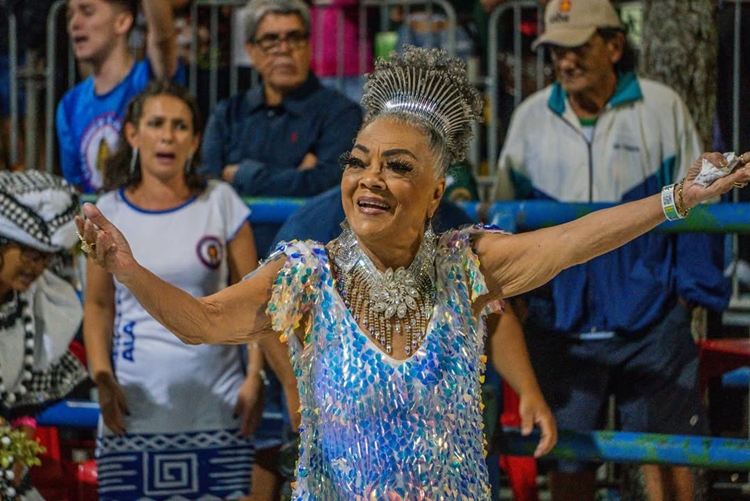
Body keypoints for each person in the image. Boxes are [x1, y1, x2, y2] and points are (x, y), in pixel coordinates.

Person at [76, 45, 750, 500]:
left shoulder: (466, 265)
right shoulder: (305, 276)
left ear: (434, 194)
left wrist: (677, 198)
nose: (370, 178)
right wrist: (128, 268)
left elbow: (574, 240)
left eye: (397, 166)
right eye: (358, 161)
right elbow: (201, 321)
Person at [490, 1, 729, 500]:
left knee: (670, 457)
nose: (565, 60)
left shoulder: (662, 107)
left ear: (615, 45)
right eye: (556, 50)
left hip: (652, 323)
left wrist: (688, 296)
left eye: (577, 47)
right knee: (567, 459)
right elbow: (506, 219)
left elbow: (702, 207)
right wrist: (525, 302)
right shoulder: (531, 117)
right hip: (561, 327)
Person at [82, 80, 262, 500]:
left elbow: (254, 298)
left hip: (218, 406)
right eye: (156, 123)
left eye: (180, 126)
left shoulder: (221, 202)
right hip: (134, 407)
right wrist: (102, 378)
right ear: (132, 134)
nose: (168, 136)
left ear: (195, 140)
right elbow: (97, 305)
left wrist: (256, 375)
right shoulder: (107, 212)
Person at [200, 0, 363, 257]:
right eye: (271, 40)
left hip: (312, 260)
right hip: (228, 257)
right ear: (251, 50)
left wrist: (242, 175)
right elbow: (208, 185)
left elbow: (330, 184)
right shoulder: (228, 113)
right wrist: (297, 175)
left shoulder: (341, 113)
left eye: (294, 38)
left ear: (309, 45)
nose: (284, 49)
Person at [0, 170, 89, 499]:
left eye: (45, 259)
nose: (36, 268)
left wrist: (16, 452)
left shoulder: (36, 307)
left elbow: (25, 401)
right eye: (29, 255)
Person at [56, 0, 183, 194]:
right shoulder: (69, 105)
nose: (74, 23)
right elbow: (76, 191)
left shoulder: (149, 80)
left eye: (87, 12)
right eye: (69, 16)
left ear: (122, 22)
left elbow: (163, 39)